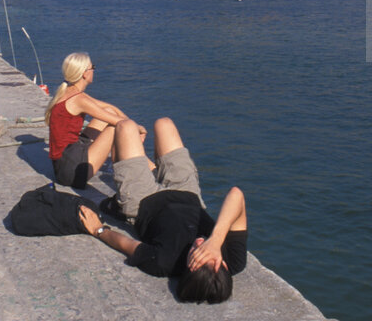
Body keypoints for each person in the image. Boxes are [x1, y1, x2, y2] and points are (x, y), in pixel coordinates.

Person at [78, 117, 248, 304]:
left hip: (143, 200)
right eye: (207, 252)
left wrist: (98, 230)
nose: (200, 243)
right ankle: (150, 166)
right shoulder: (234, 260)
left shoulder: (164, 262)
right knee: (163, 124)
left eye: (196, 253)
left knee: (126, 127)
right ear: (222, 264)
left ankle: (133, 164)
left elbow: (125, 244)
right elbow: (236, 195)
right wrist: (216, 240)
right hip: (186, 191)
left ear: (189, 267)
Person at [45, 52, 140, 190]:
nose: (94, 70)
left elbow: (109, 108)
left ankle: (121, 167)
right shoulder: (79, 99)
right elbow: (120, 123)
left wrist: (129, 122)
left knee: (112, 115)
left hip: (66, 160)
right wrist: (141, 130)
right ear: (85, 73)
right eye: (92, 67)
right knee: (115, 128)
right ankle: (127, 174)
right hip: (71, 172)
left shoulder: (72, 92)